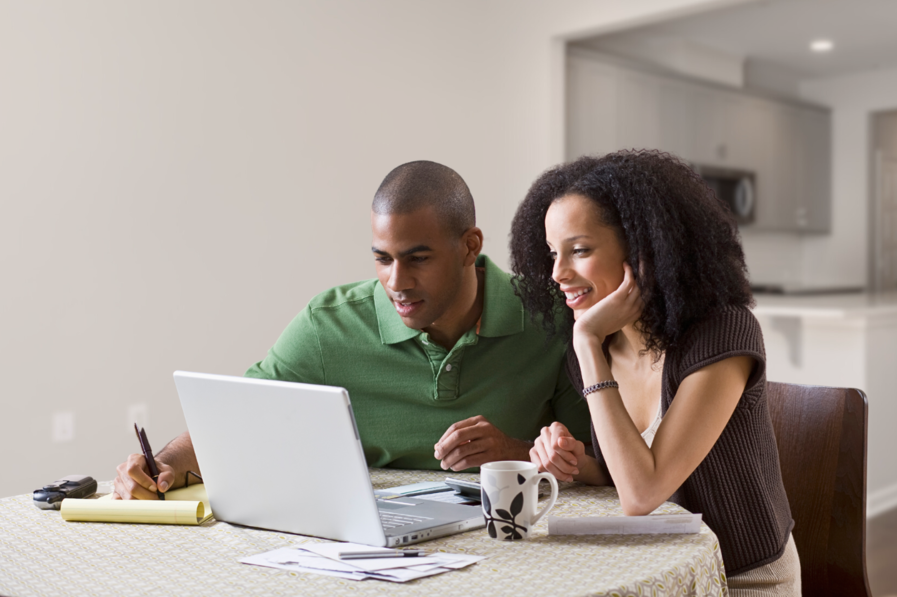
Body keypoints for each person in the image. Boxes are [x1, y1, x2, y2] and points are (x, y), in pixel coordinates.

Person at [114, 161, 590, 500]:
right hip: (376, 539)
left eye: (418, 258)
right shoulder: (329, 323)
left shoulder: (552, 315)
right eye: (383, 259)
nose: (397, 283)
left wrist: (516, 450)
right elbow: (237, 417)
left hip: (513, 534)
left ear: (469, 246)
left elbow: (599, 459)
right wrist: (166, 464)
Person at [509, 150, 801, 596]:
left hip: (740, 577)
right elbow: (623, 472)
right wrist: (573, 463)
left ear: (643, 249)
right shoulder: (600, 343)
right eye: (552, 254)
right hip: (653, 567)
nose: (557, 273)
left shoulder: (723, 334)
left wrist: (586, 345)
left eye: (580, 250)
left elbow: (642, 495)